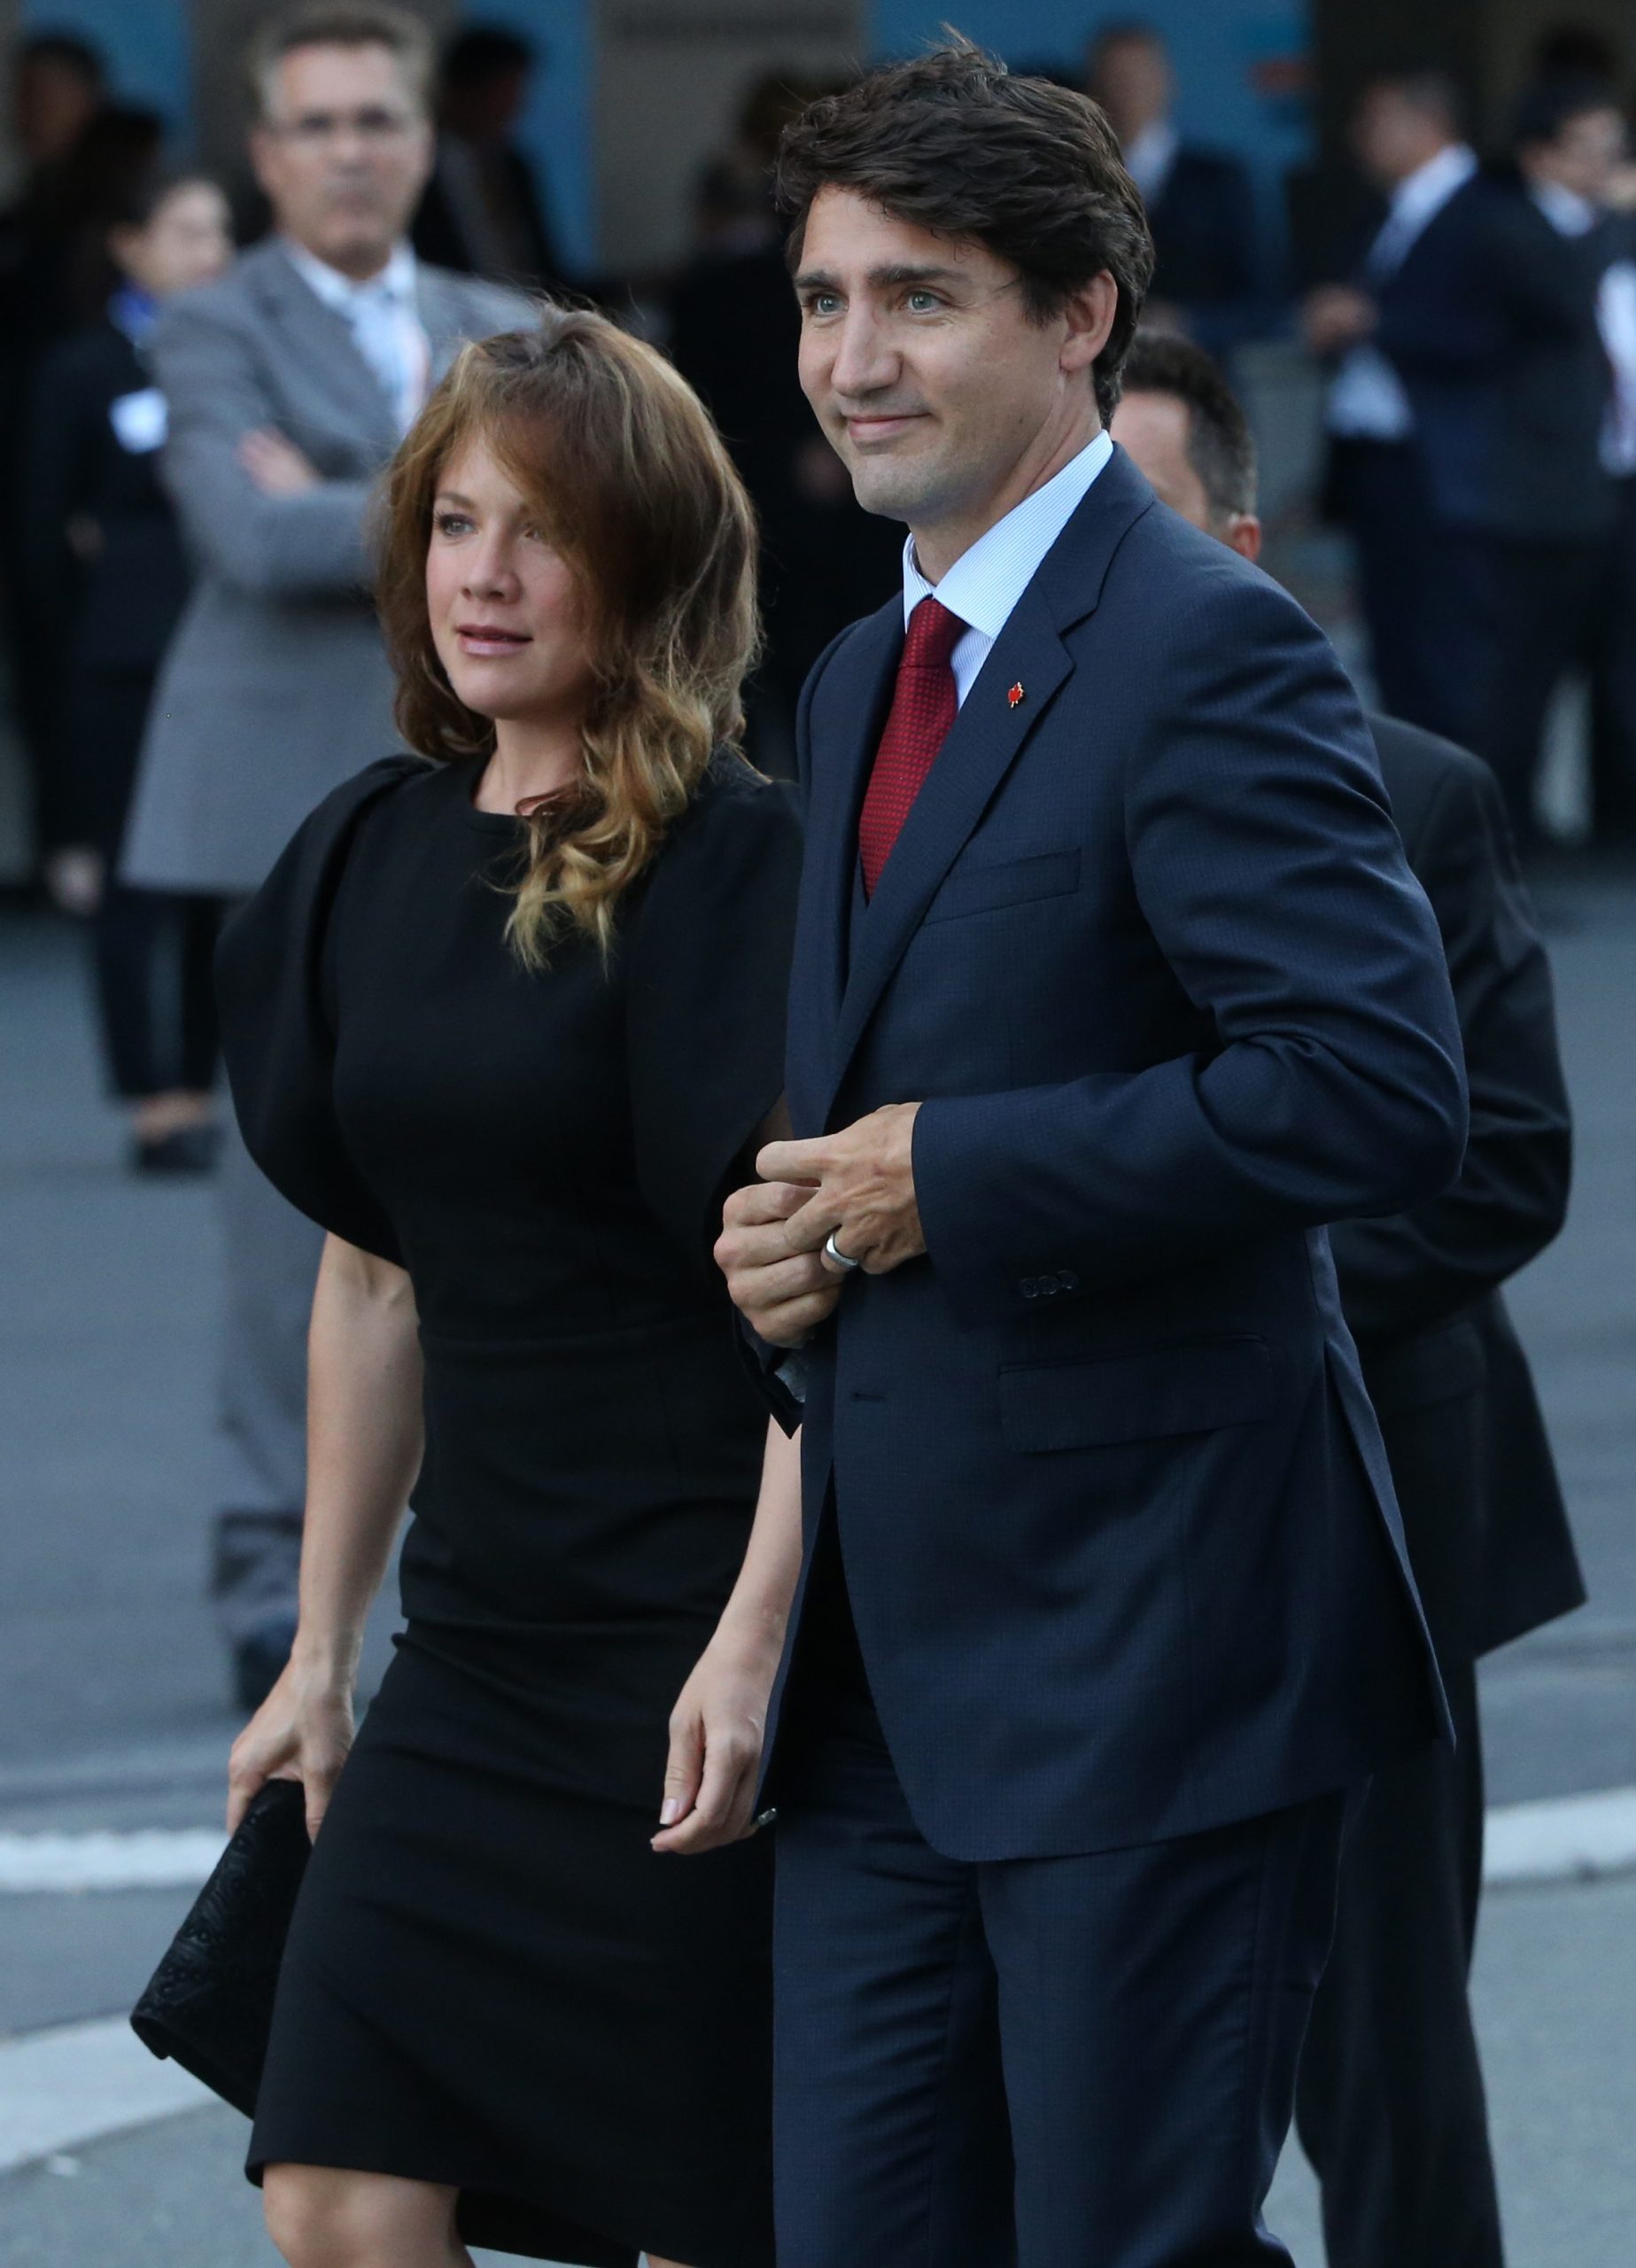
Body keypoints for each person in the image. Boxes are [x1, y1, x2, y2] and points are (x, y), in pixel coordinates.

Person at [716, 44, 1467, 2267]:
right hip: (881, 1672)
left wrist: (956, 1173)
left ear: (1076, 320)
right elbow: (884, 1087)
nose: (854, 359)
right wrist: (795, 1240)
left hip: (1148, 1661)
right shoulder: (862, 663)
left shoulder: (1206, 646)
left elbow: (1368, 1085)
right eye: (825, 297)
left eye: (919, 298)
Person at [215, 309, 803, 2268]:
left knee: (686, 2217)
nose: (482, 573)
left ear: (640, 559)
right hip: (473, 1649)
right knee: (337, 2192)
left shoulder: (737, 865)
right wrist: (319, 1652)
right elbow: (372, 1276)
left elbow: (823, 1302)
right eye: (453, 521)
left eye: (539, 529)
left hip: (698, 1632)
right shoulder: (363, 852)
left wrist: (755, 1635)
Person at [1112, 328, 1584, 2268]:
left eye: (1125, 525)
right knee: (1107, 2059)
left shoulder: (1412, 790)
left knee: (1382, 2060)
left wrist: (1181, 1274)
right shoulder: (938, 795)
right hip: (1094, 1533)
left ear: (1237, 544)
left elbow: (1497, 1163)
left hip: (1372, 1506)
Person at [117, 0, 532, 1710]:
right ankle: (267, 1600)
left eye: (379, 119)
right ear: (267, 155)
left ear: (422, 142)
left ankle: (467, 1569)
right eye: (318, 124)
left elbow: (561, 518)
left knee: (506, 1195)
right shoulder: (206, 324)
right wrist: (463, 483)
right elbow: (244, 529)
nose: (353, 149)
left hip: (491, 811)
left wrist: (354, 487)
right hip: (277, 828)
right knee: (287, 1227)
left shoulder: (508, 321)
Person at [24, 167, 234, 1172]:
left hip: (225, 647)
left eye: (220, 233)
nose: (211, 253)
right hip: (118, 659)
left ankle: (196, 1078)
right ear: (129, 245)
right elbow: (39, 533)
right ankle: (149, 1091)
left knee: (208, 881)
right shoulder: (86, 366)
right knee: (129, 880)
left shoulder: (240, 361)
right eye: (188, 230)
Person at [1303, 71, 1483, 737]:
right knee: (1391, 645)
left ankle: (1459, 819)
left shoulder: (1484, 207)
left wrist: (1368, 319)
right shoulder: (1382, 209)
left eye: (1373, 119)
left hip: (1444, 470)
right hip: (1374, 460)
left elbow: (1495, 333)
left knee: (1441, 650)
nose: (1358, 136)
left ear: (1423, 121)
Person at [1086, 19, 1259, 353]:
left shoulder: (1218, 180)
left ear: (1166, 82)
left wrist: (1188, 322)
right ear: (1093, 90)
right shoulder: (1076, 180)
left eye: (1140, 76)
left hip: (1195, 376)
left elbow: (1262, 300)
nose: (1128, 91)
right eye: (1115, 79)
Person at [411, 23, 566, 293]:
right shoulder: (417, 168)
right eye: (500, 93)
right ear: (460, 90)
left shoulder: (516, 166)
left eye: (518, 93)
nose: (514, 106)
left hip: (532, 318)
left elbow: (549, 272)